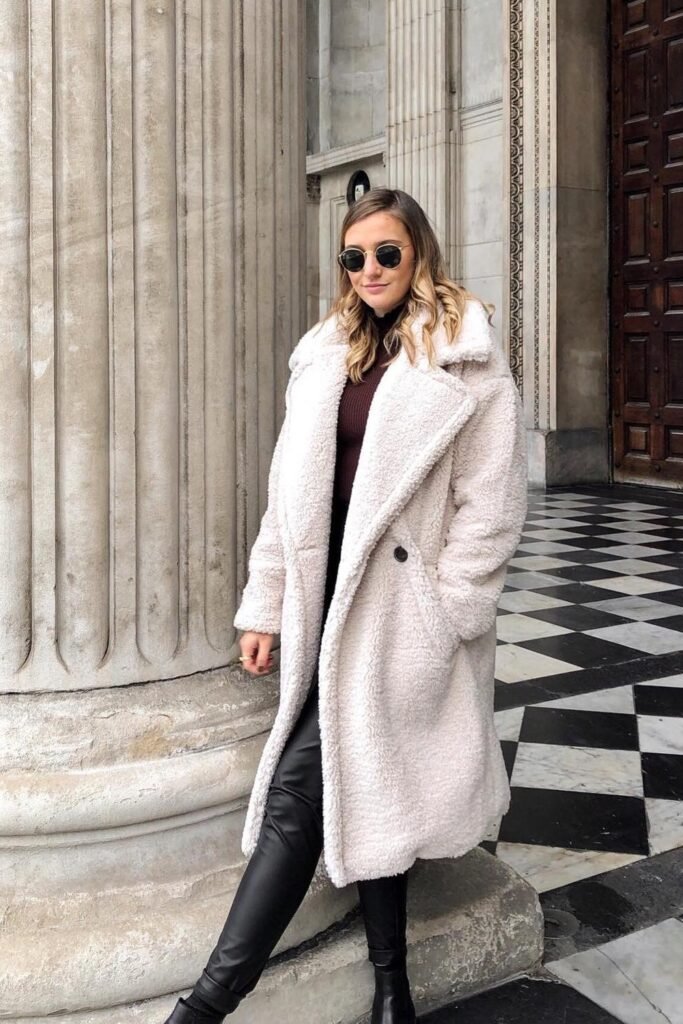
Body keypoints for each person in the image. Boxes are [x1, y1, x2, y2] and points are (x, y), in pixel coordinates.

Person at [163, 188, 528, 1024]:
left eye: (386, 254)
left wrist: (447, 612)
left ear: (418, 254)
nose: (368, 270)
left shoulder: (465, 353)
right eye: (353, 257)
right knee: (369, 779)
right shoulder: (327, 350)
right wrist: (265, 602)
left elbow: (491, 505)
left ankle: (204, 1008)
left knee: (303, 791)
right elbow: (287, 498)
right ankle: (392, 988)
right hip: (323, 596)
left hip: (399, 610)